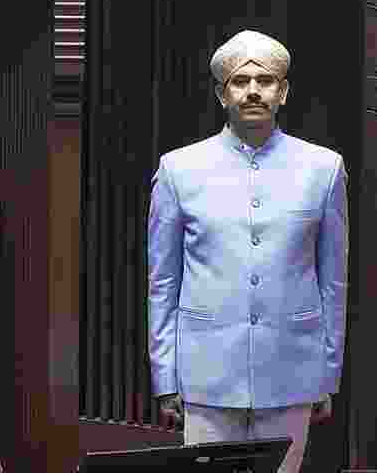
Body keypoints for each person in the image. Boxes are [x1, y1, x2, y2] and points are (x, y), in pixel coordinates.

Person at [148, 30, 346, 473]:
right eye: (240, 81)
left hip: (292, 368)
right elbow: (163, 281)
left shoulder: (323, 168)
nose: (253, 90)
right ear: (222, 94)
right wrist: (166, 375)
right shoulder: (180, 169)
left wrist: (326, 374)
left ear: (284, 92)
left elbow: (333, 282)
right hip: (206, 373)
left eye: (266, 80)